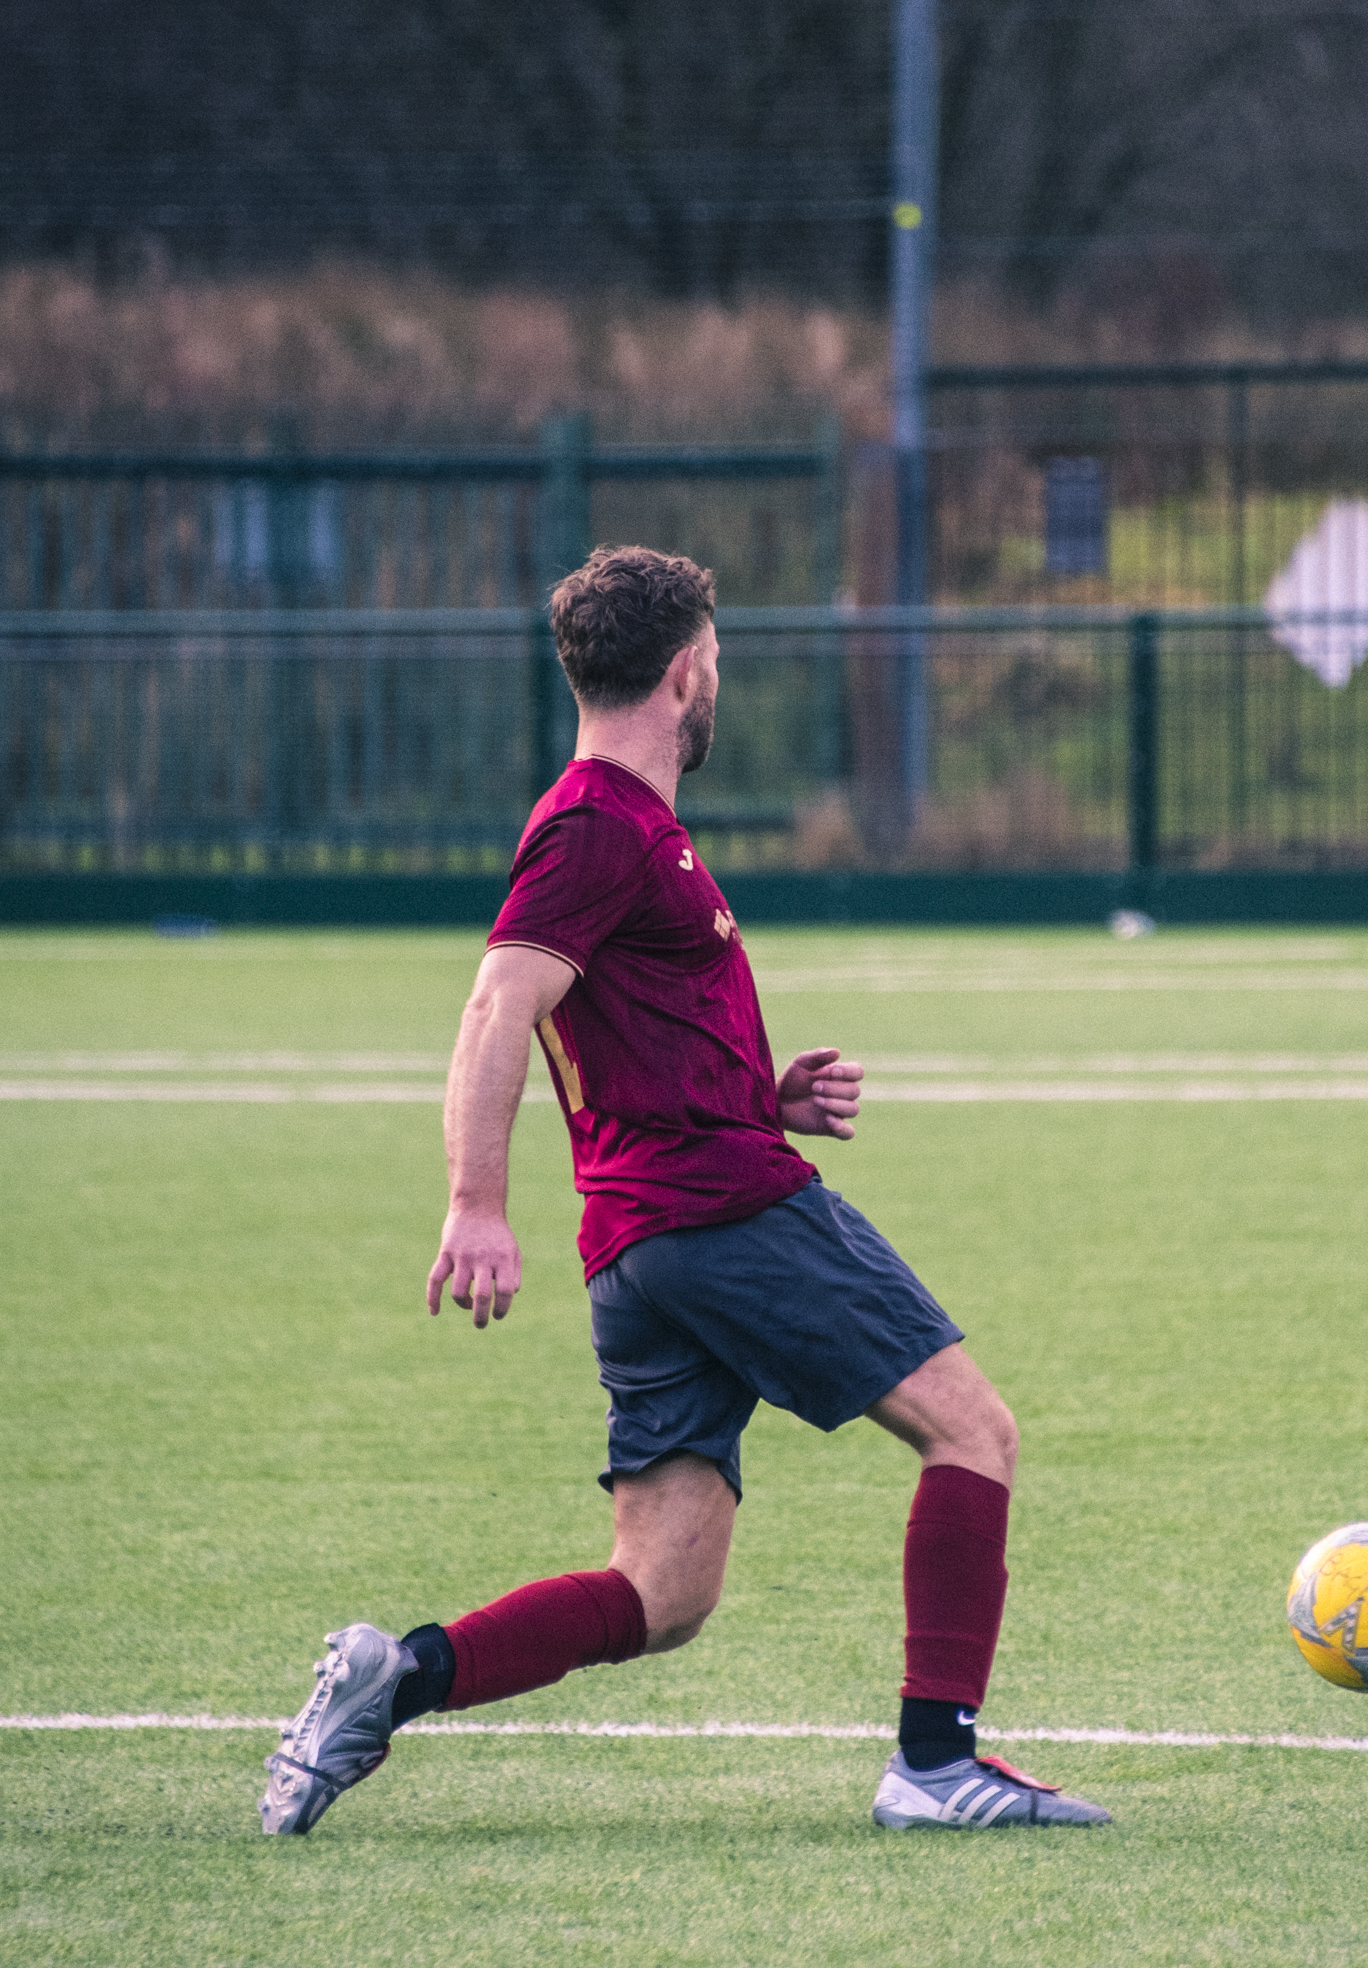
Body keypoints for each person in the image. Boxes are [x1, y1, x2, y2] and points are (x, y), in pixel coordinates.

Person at [260, 545, 1108, 1836]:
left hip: (649, 1234)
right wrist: (474, 1202)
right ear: (683, 670)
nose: (720, 677)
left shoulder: (626, 827)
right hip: (723, 1214)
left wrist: (759, 1094)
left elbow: (613, 1030)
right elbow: (500, 1005)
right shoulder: (599, 824)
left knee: (661, 1596)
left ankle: (396, 1673)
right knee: (971, 1430)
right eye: (717, 655)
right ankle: (936, 1764)